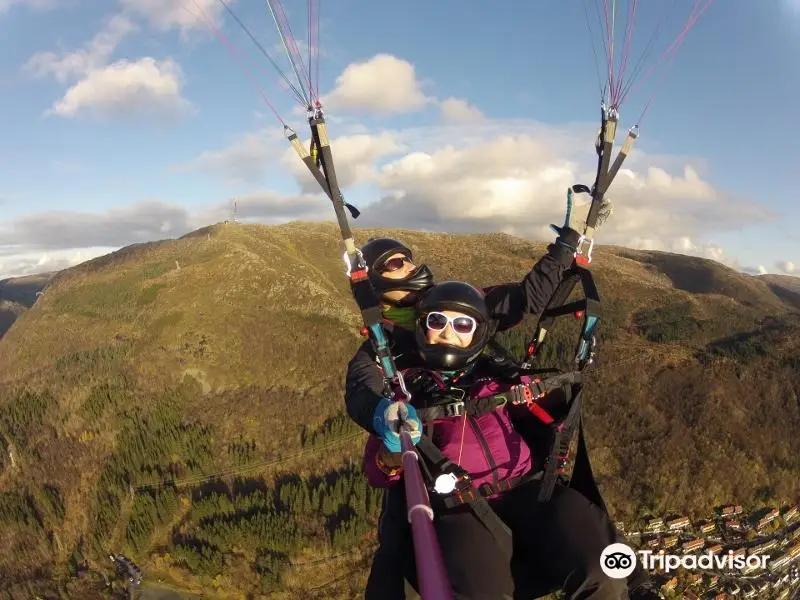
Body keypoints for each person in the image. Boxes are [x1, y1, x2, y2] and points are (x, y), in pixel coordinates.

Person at [357, 280, 629, 600]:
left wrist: (540, 390)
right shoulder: (407, 394)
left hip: (531, 489)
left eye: (462, 323)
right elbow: (378, 472)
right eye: (437, 320)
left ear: (477, 333)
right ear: (422, 327)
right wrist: (392, 448)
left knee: (603, 572)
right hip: (461, 505)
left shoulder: (496, 378)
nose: (448, 331)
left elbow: (547, 409)